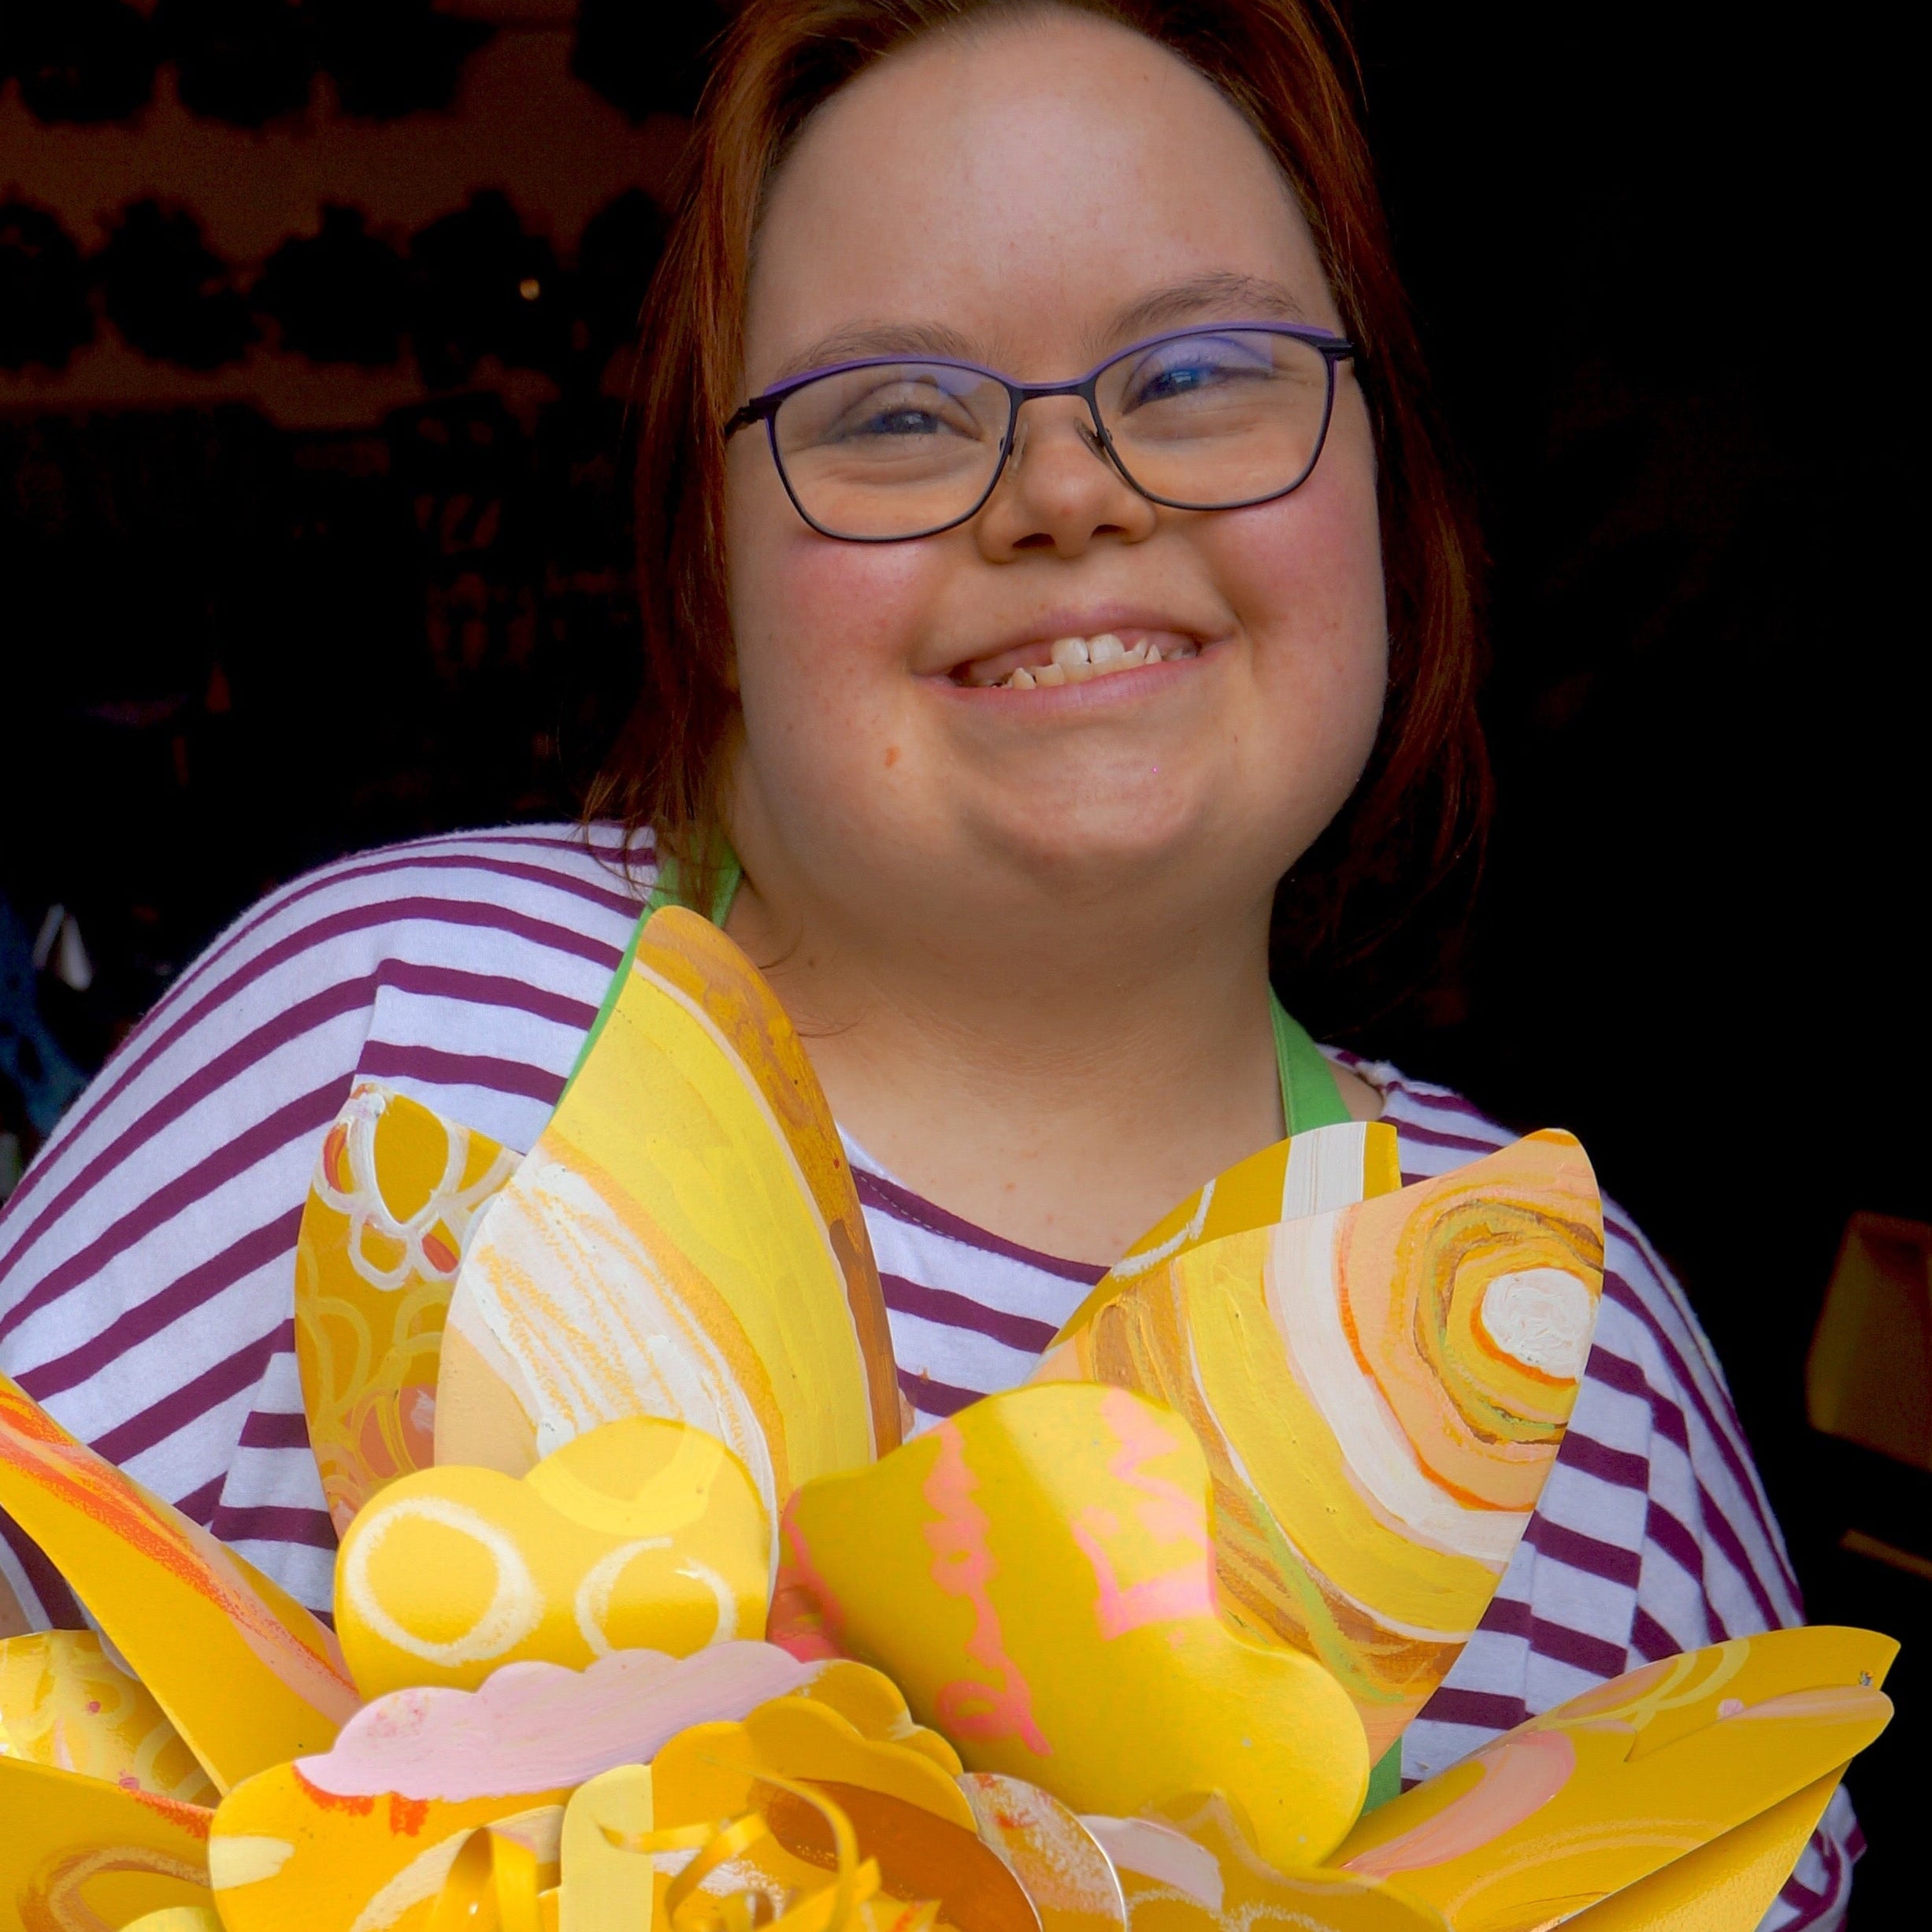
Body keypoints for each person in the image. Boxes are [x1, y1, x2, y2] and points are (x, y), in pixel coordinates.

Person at [0, 2, 1856, 1920]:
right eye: (894, 413)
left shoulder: (1567, 1358)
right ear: (706, 567)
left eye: (1198, 374)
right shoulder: (384, 1043)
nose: (1069, 491)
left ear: (1385, 484)